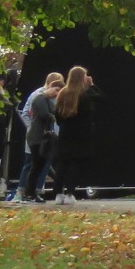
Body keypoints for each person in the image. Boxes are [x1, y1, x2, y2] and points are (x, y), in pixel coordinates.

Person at [8, 72, 62, 202]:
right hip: (37, 135)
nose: (57, 93)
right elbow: (32, 114)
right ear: (51, 84)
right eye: (57, 89)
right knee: (31, 164)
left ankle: (35, 191)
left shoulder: (51, 98)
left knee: (42, 164)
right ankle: (23, 192)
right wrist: (30, 127)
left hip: (48, 136)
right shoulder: (38, 96)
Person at [50, 66, 101, 203]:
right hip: (81, 134)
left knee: (62, 163)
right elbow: (101, 98)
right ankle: (70, 193)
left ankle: (58, 194)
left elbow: (58, 115)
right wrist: (92, 85)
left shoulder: (63, 93)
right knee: (75, 164)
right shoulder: (85, 94)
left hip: (65, 132)